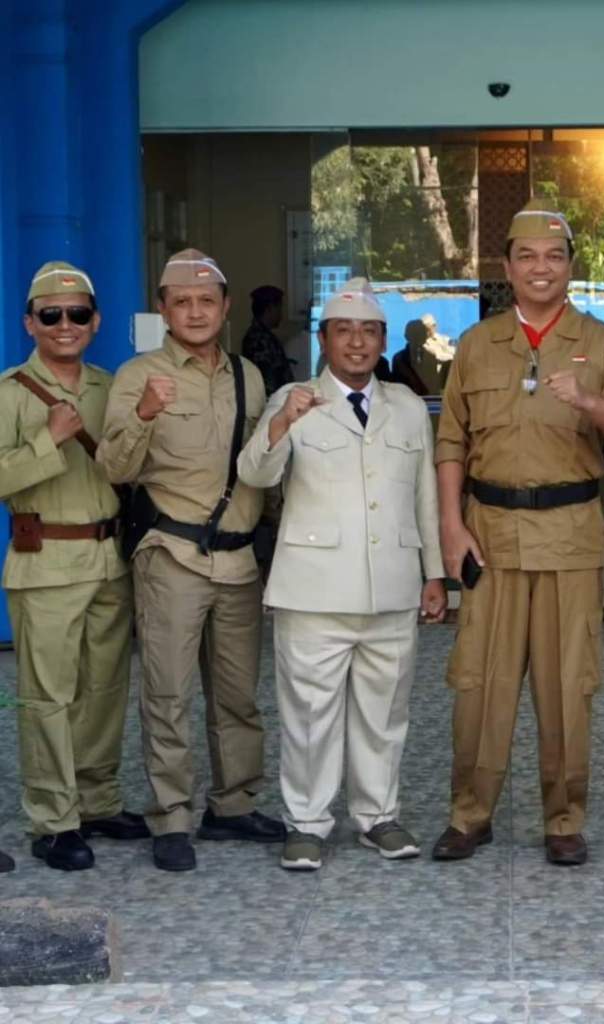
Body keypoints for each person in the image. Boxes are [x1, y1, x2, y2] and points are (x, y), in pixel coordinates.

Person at [432, 199, 604, 866]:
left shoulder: (602, 343)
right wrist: (449, 525)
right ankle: (470, 813)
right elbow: (450, 441)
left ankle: (563, 819)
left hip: (568, 536)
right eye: (527, 256)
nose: (540, 268)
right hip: (490, 535)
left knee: (568, 688)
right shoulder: (477, 344)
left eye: (554, 257)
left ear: (570, 268)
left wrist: (589, 401)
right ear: (506, 267)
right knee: (479, 685)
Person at [238, 277, 446, 871]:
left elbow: (424, 496)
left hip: (391, 584)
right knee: (308, 715)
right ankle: (305, 822)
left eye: (369, 331)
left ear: (382, 341)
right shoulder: (293, 396)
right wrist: (283, 425)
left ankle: (378, 816)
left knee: (386, 712)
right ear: (324, 338)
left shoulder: (407, 405)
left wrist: (434, 575)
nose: (357, 342)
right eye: (344, 331)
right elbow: (254, 475)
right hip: (314, 589)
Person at [98, 248, 284, 872]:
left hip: (238, 561)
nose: (196, 311)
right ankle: (171, 816)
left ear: (226, 308)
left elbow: (264, 469)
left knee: (238, 696)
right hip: (172, 555)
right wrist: (147, 412)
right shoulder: (137, 375)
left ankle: (232, 804)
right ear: (164, 308)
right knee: (168, 694)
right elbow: (114, 469)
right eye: (182, 302)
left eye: (207, 301)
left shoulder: (247, 376)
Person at [0, 261, 147, 871]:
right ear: (30, 323)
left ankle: (97, 799)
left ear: (96, 321)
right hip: (47, 563)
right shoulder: (9, 392)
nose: (66, 325)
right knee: (49, 698)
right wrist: (49, 439)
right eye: (52, 315)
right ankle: (53, 818)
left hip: (108, 559)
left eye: (78, 314)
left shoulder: (111, 387)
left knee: (105, 690)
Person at [241, 284, 294, 396]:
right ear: (269, 308)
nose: (281, 314)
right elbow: (266, 380)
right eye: (279, 308)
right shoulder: (259, 340)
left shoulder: (264, 337)